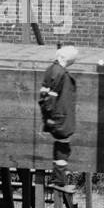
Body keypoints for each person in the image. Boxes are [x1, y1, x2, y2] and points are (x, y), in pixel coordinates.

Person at [40, 45, 79, 193]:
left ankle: (59, 179)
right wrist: (49, 116)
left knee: (61, 148)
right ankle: (59, 181)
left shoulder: (52, 69)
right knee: (63, 149)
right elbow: (50, 97)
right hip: (60, 118)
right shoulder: (60, 73)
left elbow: (45, 95)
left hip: (57, 117)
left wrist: (47, 116)